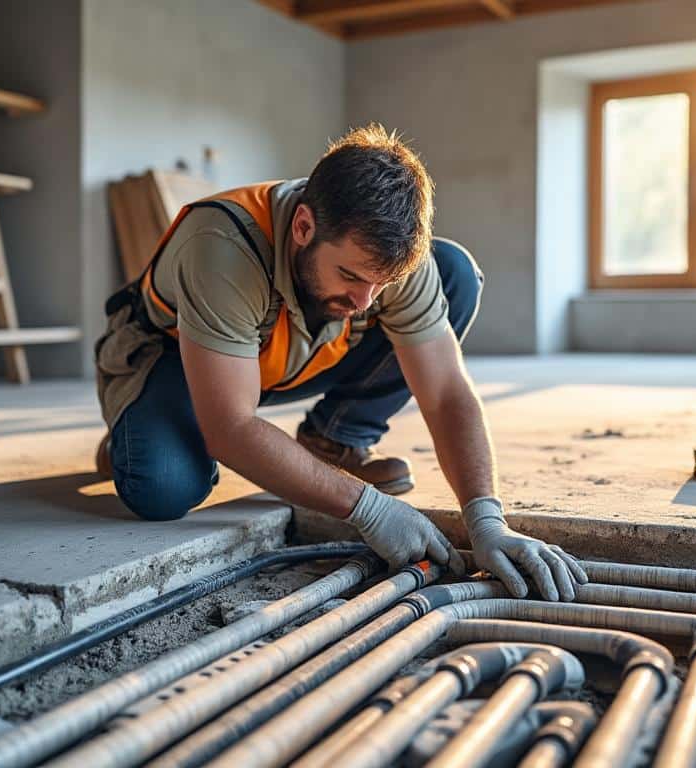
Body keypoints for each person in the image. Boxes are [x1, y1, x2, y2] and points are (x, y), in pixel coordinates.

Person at [94, 125, 585, 601]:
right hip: (182, 358)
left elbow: (446, 392)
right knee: (161, 487)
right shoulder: (222, 246)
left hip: (283, 356)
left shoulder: (383, 265)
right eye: (351, 275)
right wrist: (368, 509)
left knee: (451, 270)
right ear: (304, 226)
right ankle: (135, 424)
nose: (367, 303)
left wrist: (486, 519)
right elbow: (232, 427)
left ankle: (334, 439)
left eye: (381, 284)